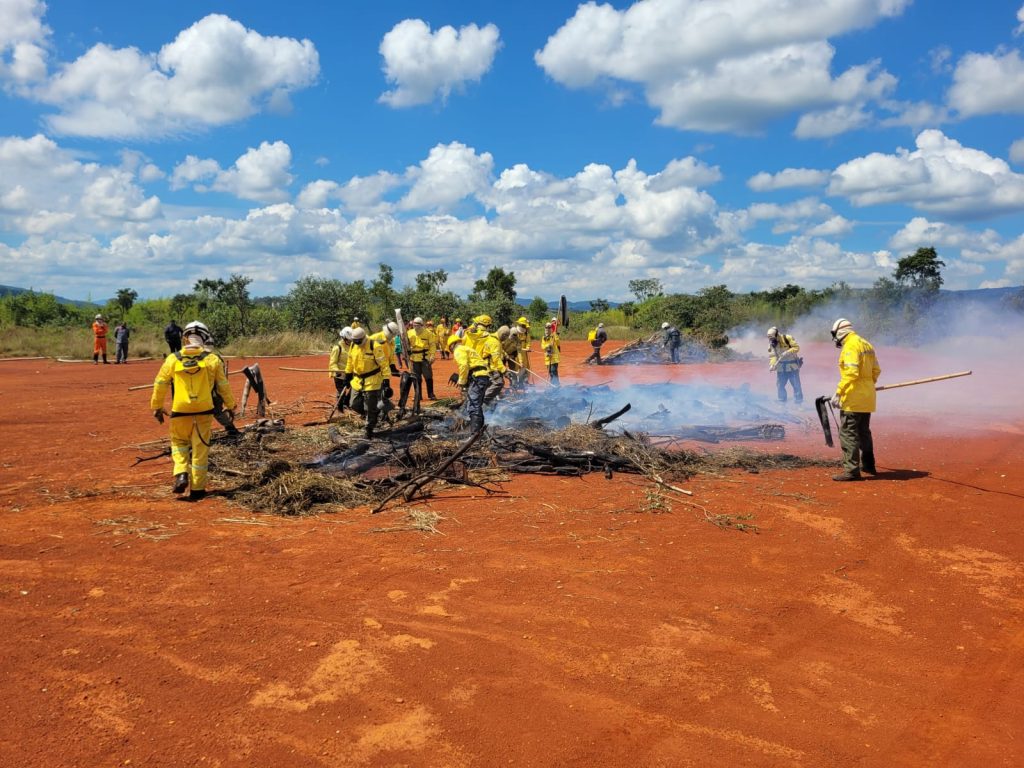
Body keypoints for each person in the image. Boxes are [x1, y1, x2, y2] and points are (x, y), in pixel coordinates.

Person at [150, 320, 235, 501]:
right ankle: (197, 489)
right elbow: (223, 385)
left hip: (180, 410)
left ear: (185, 338)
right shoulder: (212, 359)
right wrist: (231, 405)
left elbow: (160, 384)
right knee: (200, 449)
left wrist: (156, 407)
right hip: (204, 411)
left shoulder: (173, 359)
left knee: (179, 443)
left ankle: (181, 473)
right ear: (204, 337)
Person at [830, 318, 880, 481]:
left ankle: (851, 470)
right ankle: (869, 465)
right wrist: (867, 386)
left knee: (848, 433)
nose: (836, 339)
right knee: (864, 432)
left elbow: (851, 373)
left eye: (835, 335)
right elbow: (876, 371)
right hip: (867, 397)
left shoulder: (850, 346)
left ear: (840, 332)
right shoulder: (866, 344)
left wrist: (838, 392)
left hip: (853, 398)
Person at [345, 327, 388, 438]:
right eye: (355, 341)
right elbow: (350, 360)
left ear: (363, 338)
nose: (357, 343)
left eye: (359, 341)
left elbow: (384, 364)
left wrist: (386, 380)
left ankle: (369, 429)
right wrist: (347, 374)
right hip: (357, 380)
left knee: (369, 407)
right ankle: (374, 412)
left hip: (372, 380)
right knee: (353, 404)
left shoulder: (374, 346)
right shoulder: (353, 345)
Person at [447, 333, 490, 432]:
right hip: (483, 376)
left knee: (473, 405)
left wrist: (462, 382)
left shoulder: (458, 350)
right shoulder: (467, 348)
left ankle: (474, 434)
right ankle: (480, 432)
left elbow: (463, 365)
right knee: (477, 405)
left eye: (450, 349)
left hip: (478, 377)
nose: (451, 351)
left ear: (452, 345)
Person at [465, 314, 506, 403]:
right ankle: (481, 402)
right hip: (481, 366)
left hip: (468, 365)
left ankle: (467, 408)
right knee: (497, 383)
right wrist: (503, 369)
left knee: (474, 389)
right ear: (488, 325)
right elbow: (494, 355)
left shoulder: (468, 334)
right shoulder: (488, 337)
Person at [369, 321, 401, 419]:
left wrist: (393, 367)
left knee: (385, 392)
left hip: (384, 370)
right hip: (373, 370)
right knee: (375, 393)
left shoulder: (391, 342)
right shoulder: (375, 338)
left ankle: (383, 414)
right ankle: (373, 414)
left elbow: (391, 356)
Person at [767, 326, 803, 404]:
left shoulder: (787, 338)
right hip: (781, 368)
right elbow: (772, 356)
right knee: (780, 386)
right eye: (770, 339)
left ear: (777, 335)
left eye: (773, 338)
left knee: (796, 385)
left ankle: (799, 403)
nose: (771, 340)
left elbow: (796, 348)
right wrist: (772, 365)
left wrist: (787, 352)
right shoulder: (772, 344)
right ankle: (782, 402)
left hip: (792, 367)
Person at [328, 326, 353, 414]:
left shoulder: (352, 347)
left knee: (354, 389)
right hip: (340, 375)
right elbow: (332, 363)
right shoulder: (337, 348)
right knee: (341, 392)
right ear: (343, 337)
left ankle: (347, 403)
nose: (350, 341)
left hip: (350, 374)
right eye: (348, 340)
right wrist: (337, 371)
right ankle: (340, 409)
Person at [421, 319, 439, 399]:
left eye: (431, 325)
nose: (430, 327)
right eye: (429, 325)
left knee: (428, 377)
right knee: (416, 378)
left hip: (426, 358)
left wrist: (432, 355)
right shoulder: (412, 333)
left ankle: (431, 394)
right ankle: (418, 395)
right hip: (415, 358)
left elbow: (433, 344)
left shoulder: (430, 333)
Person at [541, 321, 561, 386]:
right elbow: (542, 346)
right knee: (550, 372)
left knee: (553, 372)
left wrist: (555, 335)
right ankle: (552, 385)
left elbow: (558, 343)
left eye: (549, 327)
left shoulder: (554, 335)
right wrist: (547, 346)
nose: (547, 329)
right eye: (546, 327)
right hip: (547, 358)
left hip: (554, 358)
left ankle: (556, 386)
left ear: (551, 328)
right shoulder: (544, 337)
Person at [516, 316, 532, 385]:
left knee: (525, 367)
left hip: (524, 352)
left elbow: (528, 341)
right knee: (518, 367)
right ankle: (517, 382)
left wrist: (528, 347)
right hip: (516, 353)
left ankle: (525, 381)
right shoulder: (515, 333)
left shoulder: (526, 333)